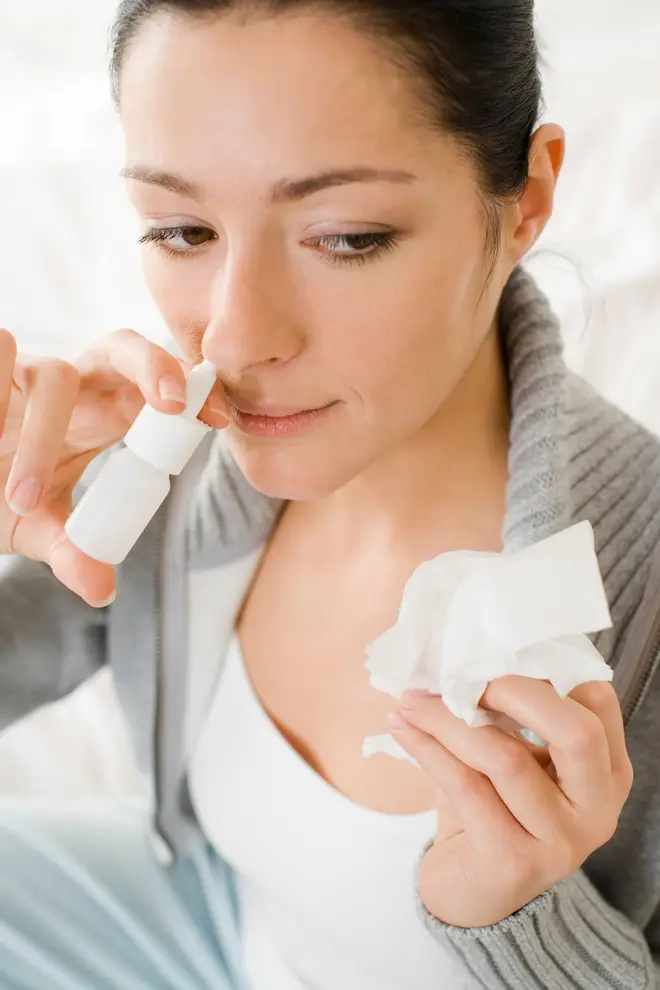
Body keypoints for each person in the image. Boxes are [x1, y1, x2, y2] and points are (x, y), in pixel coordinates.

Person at [1, 1, 660, 987]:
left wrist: (521, 922)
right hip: (209, 922)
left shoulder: (633, 599)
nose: (232, 338)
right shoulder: (170, 471)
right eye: (181, 230)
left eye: (346, 237)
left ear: (526, 196)